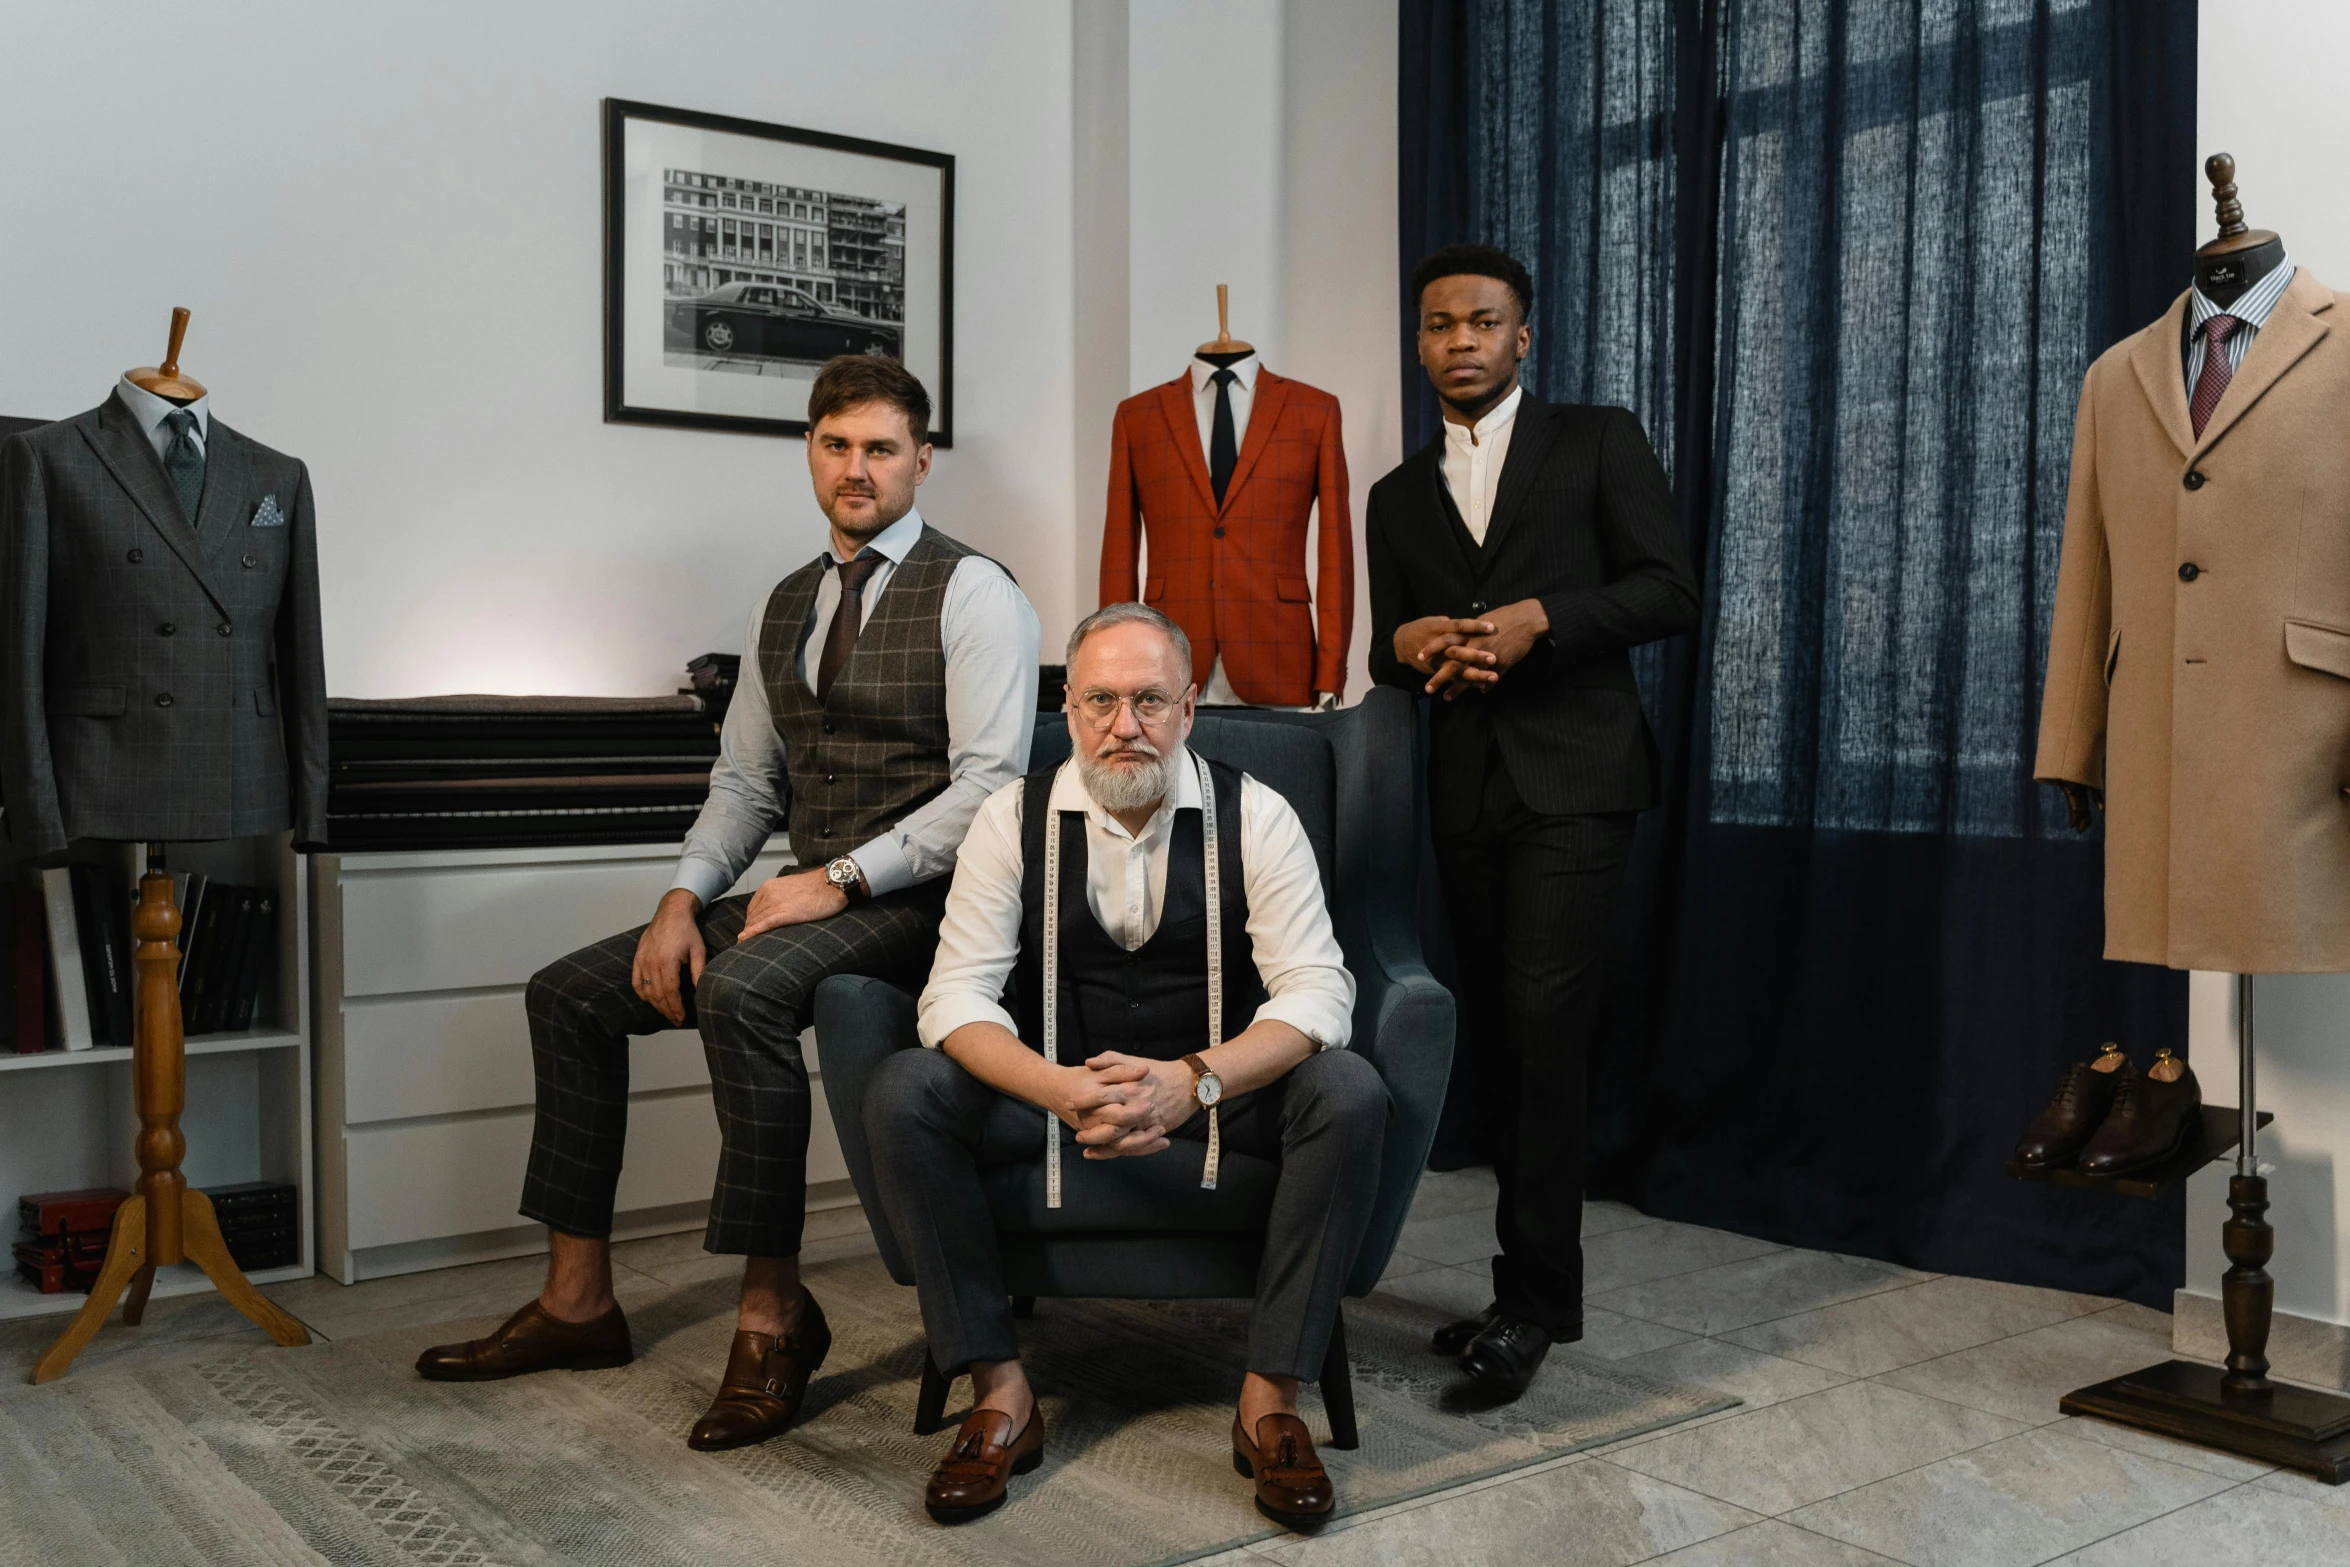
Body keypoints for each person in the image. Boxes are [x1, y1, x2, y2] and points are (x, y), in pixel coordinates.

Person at [414, 357, 1042, 1456]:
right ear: (809, 450)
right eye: (836, 445)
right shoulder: (787, 598)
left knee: (741, 991)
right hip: (810, 893)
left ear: (922, 459)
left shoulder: (976, 591)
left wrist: (839, 877)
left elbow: (991, 787)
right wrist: (678, 899)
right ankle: (577, 1303)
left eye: (881, 448)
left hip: (936, 902)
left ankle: (774, 1314)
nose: (857, 469)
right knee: (565, 994)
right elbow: (748, 783)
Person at [866, 603, 1383, 1527]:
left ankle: (1270, 1397)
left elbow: (1317, 992)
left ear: (1188, 708)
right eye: (1100, 700)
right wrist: (1058, 1089)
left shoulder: (1257, 813)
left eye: (1149, 700)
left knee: (1349, 1090)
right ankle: (999, 1389)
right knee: (906, 1088)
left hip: (1218, 1094)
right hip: (1050, 1095)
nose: (1124, 725)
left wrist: (1195, 1080)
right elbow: (955, 999)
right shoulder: (1007, 819)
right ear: (1068, 709)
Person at [1367, 244, 1698, 1399]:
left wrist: (1540, 620)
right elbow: (1385, 644)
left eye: (1483, 321)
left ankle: (1535, 1305)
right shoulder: (1395, 496)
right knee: (1502, 1045)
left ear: (1523, 337)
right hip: (1465, 790)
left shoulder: (1596, 438)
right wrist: (1407, 647)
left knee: (1543, 1029)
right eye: (1439, 324)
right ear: (1419, 344)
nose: (1460, 340)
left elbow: (1668, 588)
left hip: (1577, 780)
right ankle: (1521, 1289)